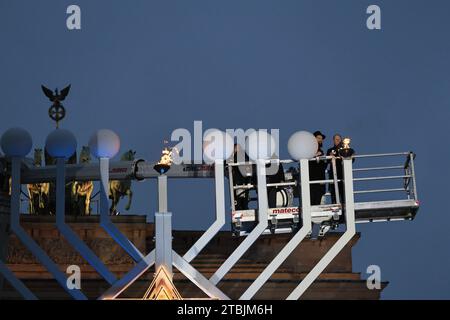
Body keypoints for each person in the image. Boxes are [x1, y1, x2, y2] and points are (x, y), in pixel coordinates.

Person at [309, 131, 327, 205]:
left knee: (318, 198)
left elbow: (323, 166)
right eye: (318, 138)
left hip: (320, 178)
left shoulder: (321, 151)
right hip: (312, 178)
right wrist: (314, 155)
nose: (320, 140)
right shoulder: (309, 149)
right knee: (312, 198)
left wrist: (326, 160)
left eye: (321, 138)